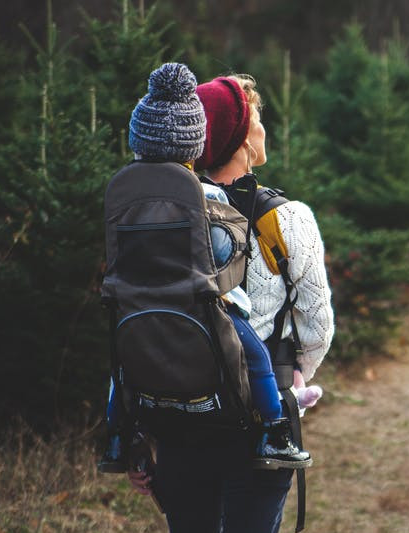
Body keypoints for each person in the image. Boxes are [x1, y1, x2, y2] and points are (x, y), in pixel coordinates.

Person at [127, 72, 334, 533]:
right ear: (241, 137)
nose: (264, 127)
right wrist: (292, 384)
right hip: (259, 426)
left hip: (179, 418)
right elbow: (317, 328)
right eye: (257, 117)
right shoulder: (286, 218)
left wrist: (136, 428)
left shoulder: (163, 216)